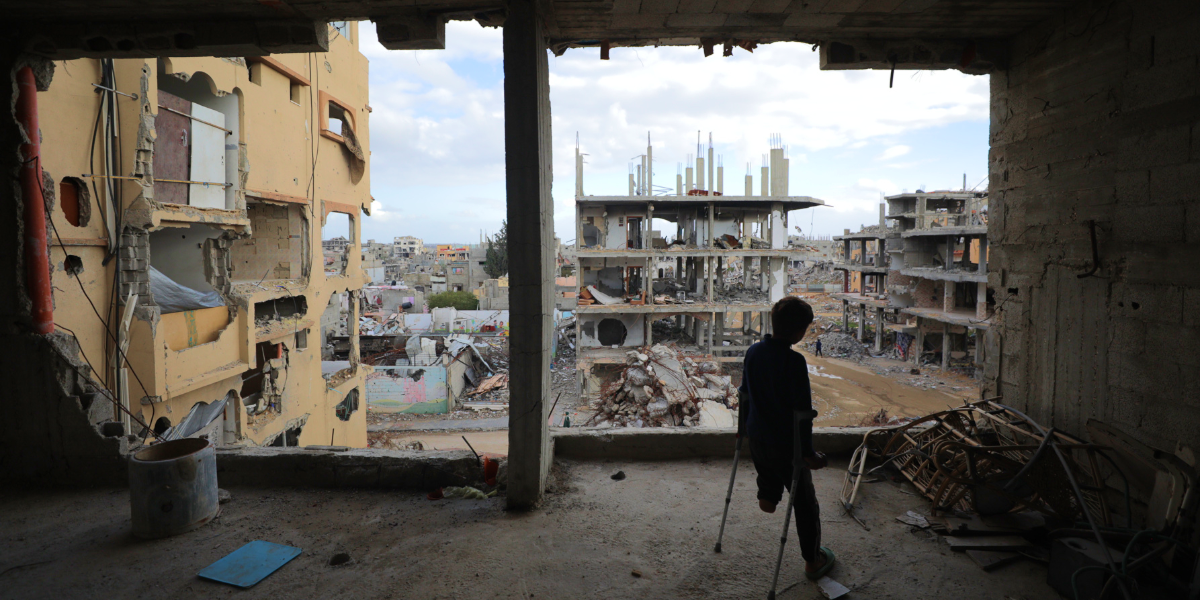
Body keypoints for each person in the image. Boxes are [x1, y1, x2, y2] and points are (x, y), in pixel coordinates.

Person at [740, 296, 835, 581]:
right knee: (805, 504)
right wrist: (808, 453)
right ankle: (813, 560)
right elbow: (802, 414)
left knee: (767, 472)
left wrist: (741, 428)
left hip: (757, 438)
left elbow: (744, 393)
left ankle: (767, 499)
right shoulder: (794, 361)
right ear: (799, 332)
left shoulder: (753, 352)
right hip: (787, 447)